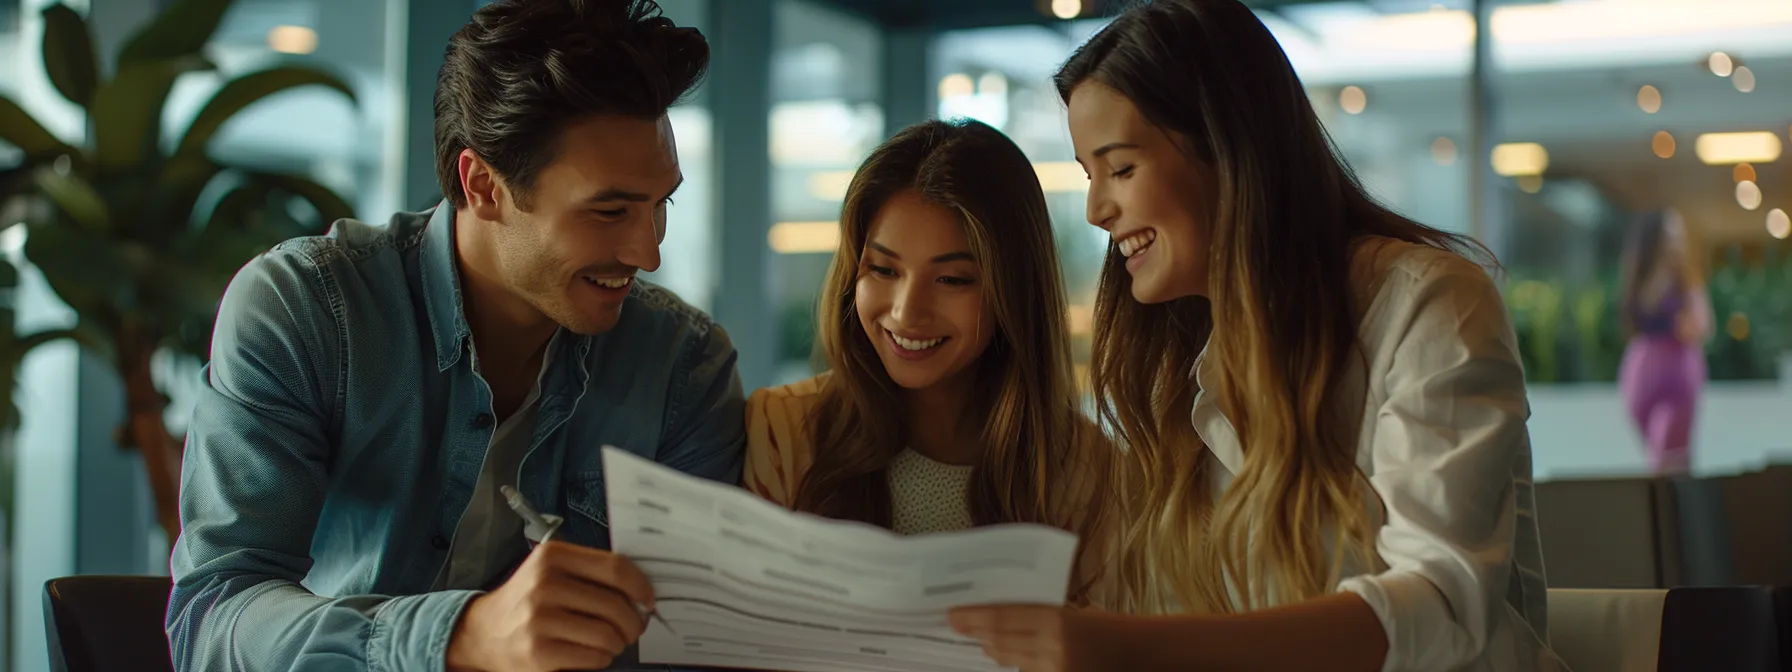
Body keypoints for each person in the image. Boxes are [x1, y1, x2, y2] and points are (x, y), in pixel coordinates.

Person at [947, 1, 1564, 671]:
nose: (1097, 210)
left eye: (1120, 169)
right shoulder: (1174, 365)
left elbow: (1441, 606)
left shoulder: (1428, 303)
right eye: (1088, 176)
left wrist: (1131, 647)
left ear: (1227, 148)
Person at [167, 2, 744, 671]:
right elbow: (211, 620)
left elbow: (691, 643)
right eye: (609, 210)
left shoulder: (683, 365)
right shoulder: (309, 309)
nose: (648, 253)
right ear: (483, 185)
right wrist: (460, 635)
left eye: (660, 204)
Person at [743, 119, 1107, 601]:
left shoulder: (1082, 467)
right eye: (883, 269)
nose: (906, 312)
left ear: (1013, 292)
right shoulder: (781, 428)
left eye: (953, 279)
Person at [1618, 209, 1711, 476]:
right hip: (1643, 377)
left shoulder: (1686, 280)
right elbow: (1634, 319)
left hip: (1678, 376)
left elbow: (1700, 325)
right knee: (1660, 454)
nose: (1677, 238)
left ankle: (1671, 510)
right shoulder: (1641, 279)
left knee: (1670, 452)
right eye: (1671, 231)